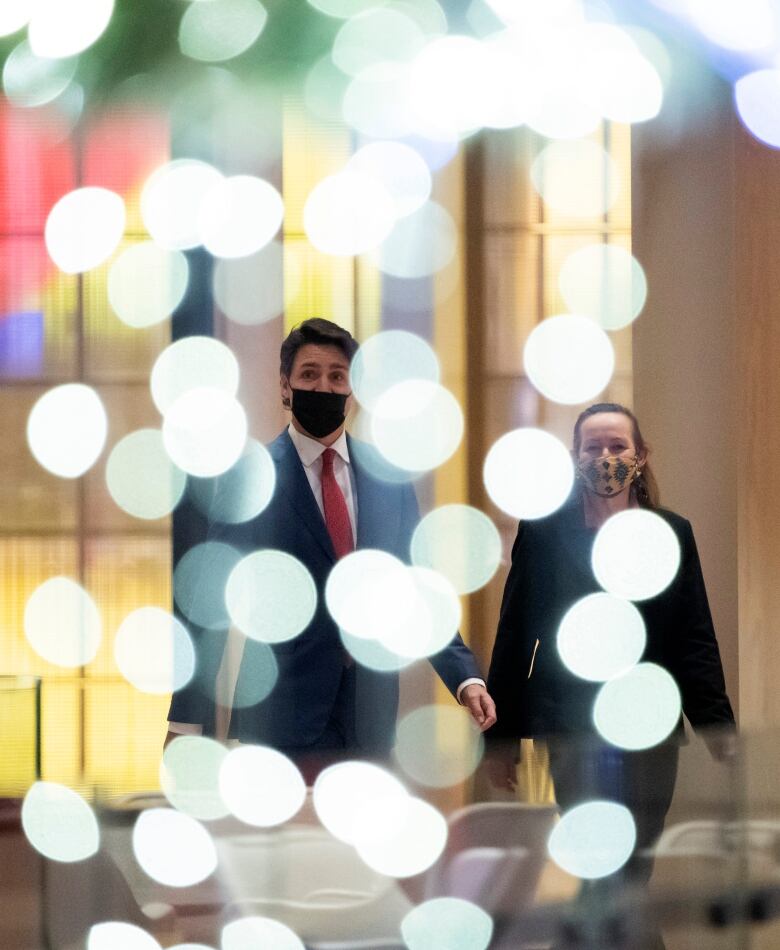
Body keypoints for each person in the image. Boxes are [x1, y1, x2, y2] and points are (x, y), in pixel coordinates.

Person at [166, 318, 495, 775]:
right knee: (287, 846)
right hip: (279, 719)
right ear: (285, 387)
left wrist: (465, 677)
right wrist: (187, 722)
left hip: (372, 719)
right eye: (309, 375)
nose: (324, 386)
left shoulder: (388, 478)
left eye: (337, 376)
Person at [484, 403, 735, 945]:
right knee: (603, 868)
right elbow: (515, 632)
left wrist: (719, 727)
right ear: (575, 457)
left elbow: (694, 635)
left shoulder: (671, 532)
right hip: (572, 729)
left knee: (634, 870)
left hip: (650, 726)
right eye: (592, 448)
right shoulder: (545, 532)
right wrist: (500, 739)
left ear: (640, 458)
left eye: (617, 447)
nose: (605, 458)